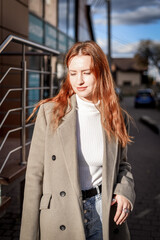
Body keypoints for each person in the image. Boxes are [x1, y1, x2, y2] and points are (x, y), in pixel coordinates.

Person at [20, 41, 135, 240]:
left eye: (86, 72)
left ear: (101, 73)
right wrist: (28, 235)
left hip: (103, 211)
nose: (79, 80)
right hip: (60, 215)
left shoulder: (117, 116)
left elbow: (122, 165)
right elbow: (34, 176)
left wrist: (124, 191)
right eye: (73, 73)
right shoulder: (51, 113)